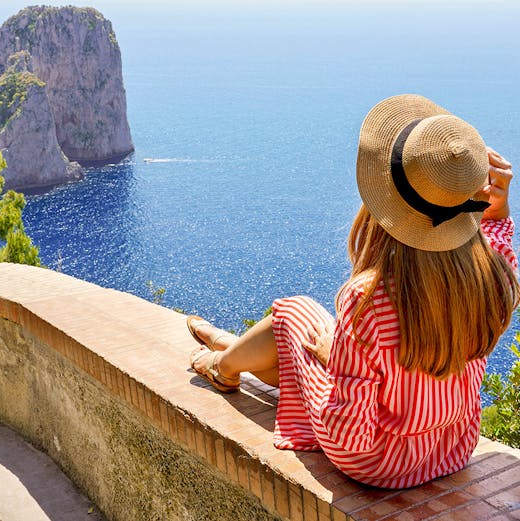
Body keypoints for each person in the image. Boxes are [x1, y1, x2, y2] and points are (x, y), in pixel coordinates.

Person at [186, 94, 520, 489]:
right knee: (310, 344)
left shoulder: (368, 299)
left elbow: (349, 432)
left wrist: (335, 359)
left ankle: (221, 366)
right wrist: (498, 208)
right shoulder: (495, 275)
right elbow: (498, 238)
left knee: (295, 312)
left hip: (374, 461)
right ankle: (225, 346)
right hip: (450, 449)